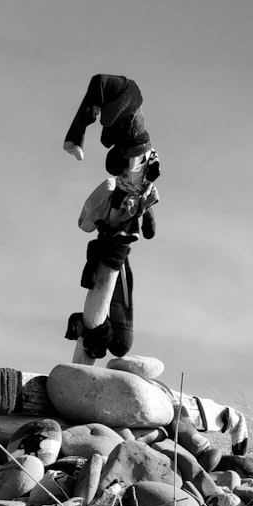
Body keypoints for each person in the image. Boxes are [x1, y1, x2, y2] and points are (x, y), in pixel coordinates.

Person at [61, 74, 161, 363]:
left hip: (120, 253)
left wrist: (145, 219)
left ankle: (91, 339)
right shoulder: (111, 188)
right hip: (109, 252)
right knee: (99, 313)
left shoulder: (144, 186)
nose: (139, 167)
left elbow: (147, 210)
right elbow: (85, 222)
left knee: (121, 340)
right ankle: (87, 343)